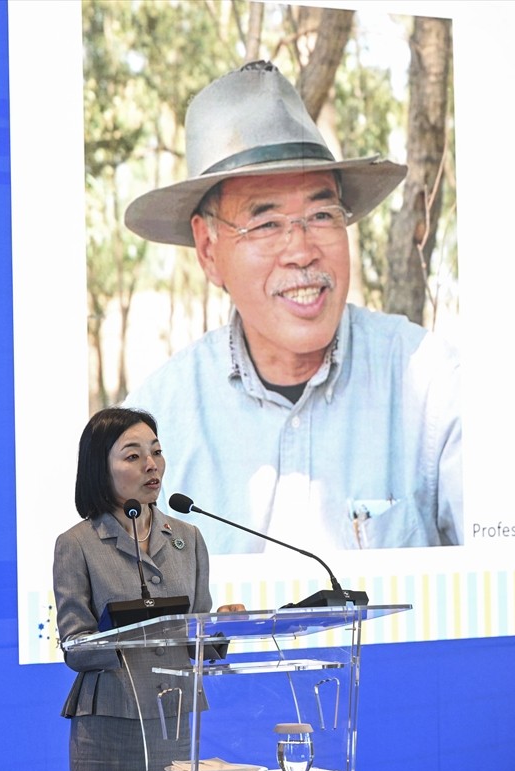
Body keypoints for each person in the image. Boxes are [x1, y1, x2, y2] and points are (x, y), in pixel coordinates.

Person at [123, 60, 462, 553]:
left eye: (322, 214)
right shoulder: (158, 425)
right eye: (265, 223)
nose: (302, 251)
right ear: (209, 250)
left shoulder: (428, 385)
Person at [53, 407, 244, 771]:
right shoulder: (77, 544)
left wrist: (221, 628)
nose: (151, 465)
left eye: (156, 452)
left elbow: (196, 641)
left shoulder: (188, 538)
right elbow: (75, 647)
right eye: (133, 455)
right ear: (100, 468)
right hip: (110, 721)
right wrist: (130, 630)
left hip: (172, 718)